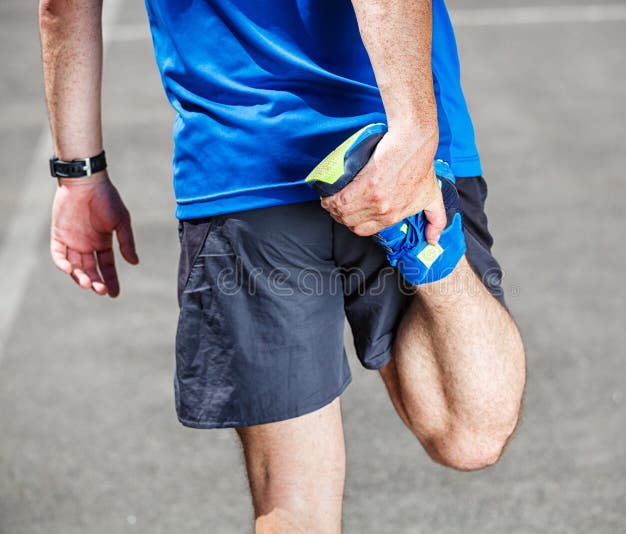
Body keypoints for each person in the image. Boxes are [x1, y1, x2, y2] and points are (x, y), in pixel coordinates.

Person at [38, 0, 526, 531]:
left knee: (297, 505)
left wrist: (79, 175)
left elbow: (62, 7)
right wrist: (412, 133)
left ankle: (427, 245)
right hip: (379, 136)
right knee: (469, 433)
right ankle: (431, 248)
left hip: (244, 161)